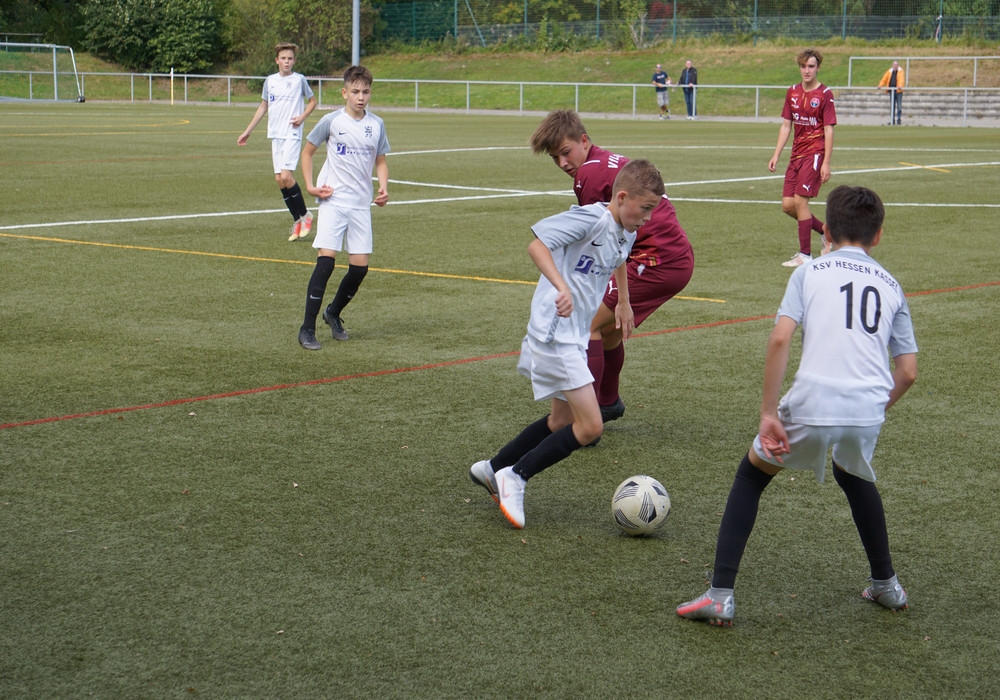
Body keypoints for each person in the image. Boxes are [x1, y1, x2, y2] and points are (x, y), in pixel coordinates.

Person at [677, 185, 918, 627]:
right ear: (878, 235)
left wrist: (769, 414)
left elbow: (780, 338)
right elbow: (908, 372)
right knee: (854, 475)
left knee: (751, 476)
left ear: (828, 231)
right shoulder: (893, 286)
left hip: (813, 398)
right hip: (867, 407)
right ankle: (887, 584)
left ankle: (720, 594)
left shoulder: (809, 272)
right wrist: (874, 410)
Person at [468, 160, 665, 529]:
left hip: (573, 335)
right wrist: (562, 287)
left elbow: (619, 257)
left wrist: (624, 300)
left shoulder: (626, 228)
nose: (648, 218)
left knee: (561, 421)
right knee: (590, 427)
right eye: (645, 208)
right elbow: (537, 246)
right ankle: (516, 476)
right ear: (622, 197)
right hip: (555, 333)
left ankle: (493, 468)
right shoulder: (589, 219)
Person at [529, 110, 693, 424]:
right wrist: (621, 300)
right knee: (608, 330)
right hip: (671, 257)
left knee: (587, 324)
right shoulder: (603, 162)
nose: (562, 163)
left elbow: (601, 239)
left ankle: (585, 419)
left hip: (655, 261)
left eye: (565, 152)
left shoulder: (589, 174)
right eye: (554, 158)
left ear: (584, 140)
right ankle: (607, 401)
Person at [296, 65, 390, 351]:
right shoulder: (331, 121)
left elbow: (381, 160)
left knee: (359, 269)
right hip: (333, 201)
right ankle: (307, 328)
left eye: (366, 92)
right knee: (326, 262)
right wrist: (310, 186)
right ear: (344, 93)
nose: (361, 97)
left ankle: (333, 313)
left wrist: (383, 187)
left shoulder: (377, 124)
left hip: (361, 204)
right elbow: (307, 152)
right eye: (356, 92)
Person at [237, 42, 318, 242]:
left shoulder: (299, 80)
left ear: (294, 61)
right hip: (276, 134)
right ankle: (297, 220)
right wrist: (248, 131)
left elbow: (313, 101)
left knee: (287, 177)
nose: (286, 62)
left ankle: (306, 215)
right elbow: (263, 107)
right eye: (283, 58)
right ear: (277, 61)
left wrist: (302, 117)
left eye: (290, 58)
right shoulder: (270, 81)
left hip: (292, 133)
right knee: (280, 180)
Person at [767, 48, 837, 268]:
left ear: (818, 68)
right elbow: (786, 125)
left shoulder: (825, 94)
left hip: (814, 154)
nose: (807, 70)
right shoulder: (792, 92)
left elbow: (829, 129)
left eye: (811, 66)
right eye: (803, 66)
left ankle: (805, 256)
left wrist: (826, 162)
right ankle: (826, 232)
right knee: (788, 205)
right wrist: (776, 154)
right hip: (796, 155)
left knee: (800, 201)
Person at [877, 60, 905, 126]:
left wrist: (900, 86)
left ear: (898, 66)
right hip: (891, 91)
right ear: (892, 65)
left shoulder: (900, 71)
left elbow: (901, 79)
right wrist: (880, 85)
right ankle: (892, 120)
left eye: (896, 65)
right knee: (892, 106)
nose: (895, 66)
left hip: (898, 91)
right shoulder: (889, 71)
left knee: (899, 106)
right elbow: (884, 79)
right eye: (894, 65)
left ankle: (899, 120)